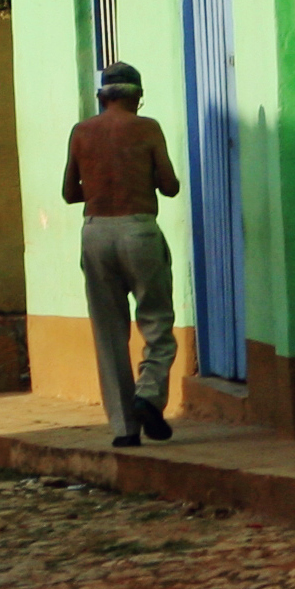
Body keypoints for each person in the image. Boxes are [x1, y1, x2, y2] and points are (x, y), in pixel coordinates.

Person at [64, 60, 179, 447]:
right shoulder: (148, 128)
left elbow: (69, 193)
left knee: (109, 331)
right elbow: (170, 186)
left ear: (102, 96)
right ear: (138, 96)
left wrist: (100, 185)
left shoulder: (81, 132)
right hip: (138, 230)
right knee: (157, 322)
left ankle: (124, 429)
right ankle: (148, 394)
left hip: (96, 232)